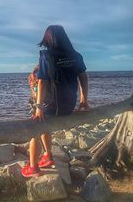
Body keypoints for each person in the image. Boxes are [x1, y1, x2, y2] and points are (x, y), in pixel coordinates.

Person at [22, 25, 90, 178]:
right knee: (44, 120)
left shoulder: (47, 56)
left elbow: (42, 82)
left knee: (36, 128)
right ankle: (48, 155)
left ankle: (33, 167)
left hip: (51, 107)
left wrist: (39, 107)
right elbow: (83, 77)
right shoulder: (76, 55)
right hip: (68, 106)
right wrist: (84, 100)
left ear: (48, 39)